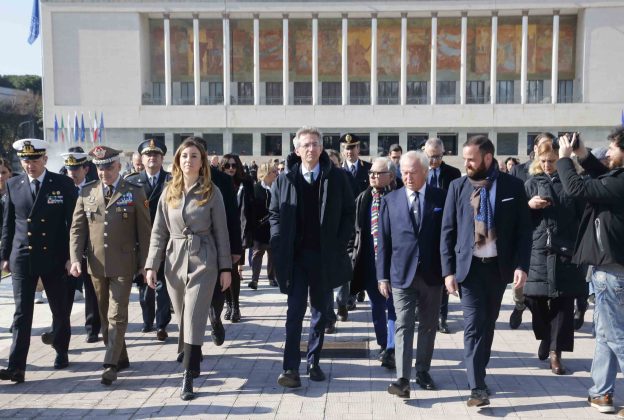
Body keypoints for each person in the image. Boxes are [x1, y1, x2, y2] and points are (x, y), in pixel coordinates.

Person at [441, 135, 531, 407]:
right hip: (468, 270)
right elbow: (447, 231)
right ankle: (476, 386)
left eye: (471, 159)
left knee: (488, 325)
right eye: (465, 158)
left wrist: (521, 266)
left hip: (498, 269)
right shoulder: (458, 187)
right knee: (473, 325)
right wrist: (448, 271)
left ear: (488, 159)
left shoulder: (513, 187)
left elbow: (523, 233)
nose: (466, 163)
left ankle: (478, 371)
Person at [145, 137, 232, 401]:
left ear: (202, 161)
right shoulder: (168, 191)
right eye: (184, 156)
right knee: (183, 314)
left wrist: (226, 267)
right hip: (174, 260)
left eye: (194, 156)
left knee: (194, 313)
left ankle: (188, 373)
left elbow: (222, 232)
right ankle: (193, 353)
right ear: (177, 161)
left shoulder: (211, 191)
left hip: (204, 258)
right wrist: (151, 264)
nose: (188, 160)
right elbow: (159, 231)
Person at [271, 126, 355, 388]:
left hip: (324, 258)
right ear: (297, 150)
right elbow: (274, 214)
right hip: (295, 259)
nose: (311, 149)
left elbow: (347, 213)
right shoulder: (285, 180)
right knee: (294, 313)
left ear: (321, 148)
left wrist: (340, 244)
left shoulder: (337, 177)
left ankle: (313, 362)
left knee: (320, 313)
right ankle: (290, 368)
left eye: (315, 144)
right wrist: (278, 241)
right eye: (305, 145)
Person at [69, 145, 151, 386]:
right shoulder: (87, 192)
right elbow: (77, 229)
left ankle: (110, 364)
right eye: (99, 167)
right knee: (105, 316)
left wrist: (146, 264)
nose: (103, 172)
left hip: (124, 263)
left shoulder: (134, 191)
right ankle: (121, 356)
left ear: (118, 166)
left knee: (117, 314)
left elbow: (145, 232)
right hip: (96, 264)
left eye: (108, 167)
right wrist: (75, 259)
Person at [556, 128, 624, 415]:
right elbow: (602, 176)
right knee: (606, 336)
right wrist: (582, 154)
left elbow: (579, 188)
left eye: (613, 148)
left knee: (617, 337)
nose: (607, 152)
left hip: (612, 274)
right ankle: (601, 393)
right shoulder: (617, 179)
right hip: (607, 272)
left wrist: (564, 159)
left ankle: (601, 392)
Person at [0, 139, 78, 384]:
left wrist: (70, 257)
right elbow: (8, 225)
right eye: (25, 160)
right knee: (22, 313)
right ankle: (16, 367)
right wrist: (4, 256)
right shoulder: (13, 184)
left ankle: (61, 348)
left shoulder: (63, 184)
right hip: (23, 255)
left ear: (44, 159)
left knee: (60, 308)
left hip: (54, 256)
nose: (29, 165)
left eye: (34, 160)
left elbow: (72, 225)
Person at [378, 151, 446, 398]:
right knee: (403, 325)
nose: (407, 177)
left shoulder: (441, 198)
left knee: (428, 326)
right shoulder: (390, 200)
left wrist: (449, 272)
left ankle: (423, 371)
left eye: (413, 172)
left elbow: (447, 238)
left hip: (432, 274)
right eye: (404, 172)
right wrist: (382, 276)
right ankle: (402, 378)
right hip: (400, 274)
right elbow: (383, 242)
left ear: (425, 172)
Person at [523, 141, 586, 375]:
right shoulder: (531, 184)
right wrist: (529, 206)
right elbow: (519, 219)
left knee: (563, 301)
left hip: (565, 248)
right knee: (533, 298)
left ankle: (555, 353)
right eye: (544, 161)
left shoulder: (571, 184)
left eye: (552, 161)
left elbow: (582, 217)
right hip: (538, 248)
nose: (548, 165)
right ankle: (546, 336)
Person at [348, 157, 398, 368]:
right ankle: (383, 345)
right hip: (369, 263)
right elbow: (354, 230)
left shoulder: (399, 197)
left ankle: (393, 347)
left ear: (391, 176)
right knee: (377, 306)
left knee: (394, 307)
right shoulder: (362, 198)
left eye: (379, 173)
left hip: (394, 264)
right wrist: (351, 252)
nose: (374, 177)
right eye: (371, 173)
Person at [125, 139, 173, 340]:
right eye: (148, 155)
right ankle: (147, 320)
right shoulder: (132, 182)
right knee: (144, 284)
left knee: (162, 283)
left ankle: (162, 324)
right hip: (140, 240)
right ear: (141, 159)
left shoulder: (171, 180)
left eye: (156, 155)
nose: (152, 158)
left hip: (164, 238)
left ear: (162, 158)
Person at [508, 132, 556, 329]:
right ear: (535, 149)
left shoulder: (557, 173)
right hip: (526, 232)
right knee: (520, 282)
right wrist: (528, 204)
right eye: (542, 147)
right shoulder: (519, 171)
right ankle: (519, 305)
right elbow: (511, 202)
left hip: (550, 235)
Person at [60, 150, 101, 343]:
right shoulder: (62, 189)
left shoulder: (95, 189)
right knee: (64, 291)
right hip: (66, 249)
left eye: (76, 169)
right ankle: (61, 328)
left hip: (91, 248)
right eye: (69, 169)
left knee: (92, 290)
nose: (72, 173)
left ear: (85, 169)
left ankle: (92, 328)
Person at [423, 137, 461, 334]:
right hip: (424, 226)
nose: (434, 161)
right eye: (431, 157)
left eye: (438, 156)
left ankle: (442, 316)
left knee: (444, 272)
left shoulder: (453, 173)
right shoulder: (420, 171)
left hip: (445, 227)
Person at [220, 154, 254, 323]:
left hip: (238, 233)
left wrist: (249, 234)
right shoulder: (217, 183)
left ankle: (236, 306)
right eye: (227, 166)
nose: (231, 169)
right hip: (220, 233)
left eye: (234, 165)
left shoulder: (246, 183)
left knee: (233, 271)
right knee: (223, 270)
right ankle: (228, 303)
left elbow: (252, 208)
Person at [341, 133, 371, 306]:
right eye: (346, 148)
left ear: (359, 149)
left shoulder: (369, 168)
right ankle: (350, 294)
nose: (349, 151)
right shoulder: (338, 171)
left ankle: (361, 287)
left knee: (363, 255)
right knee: (349, 258)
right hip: (346, 222)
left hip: (365, 220)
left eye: (353, 147)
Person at [249, 161, 277, 289]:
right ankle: (254, 280)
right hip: (259, 228)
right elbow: (251, 209)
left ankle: (272, 278)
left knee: (272, 254)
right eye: (273, 172)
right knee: (257, 254)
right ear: (266, 174)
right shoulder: (255, 189)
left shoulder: (277, 188)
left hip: (273, 227)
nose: (276, 174)